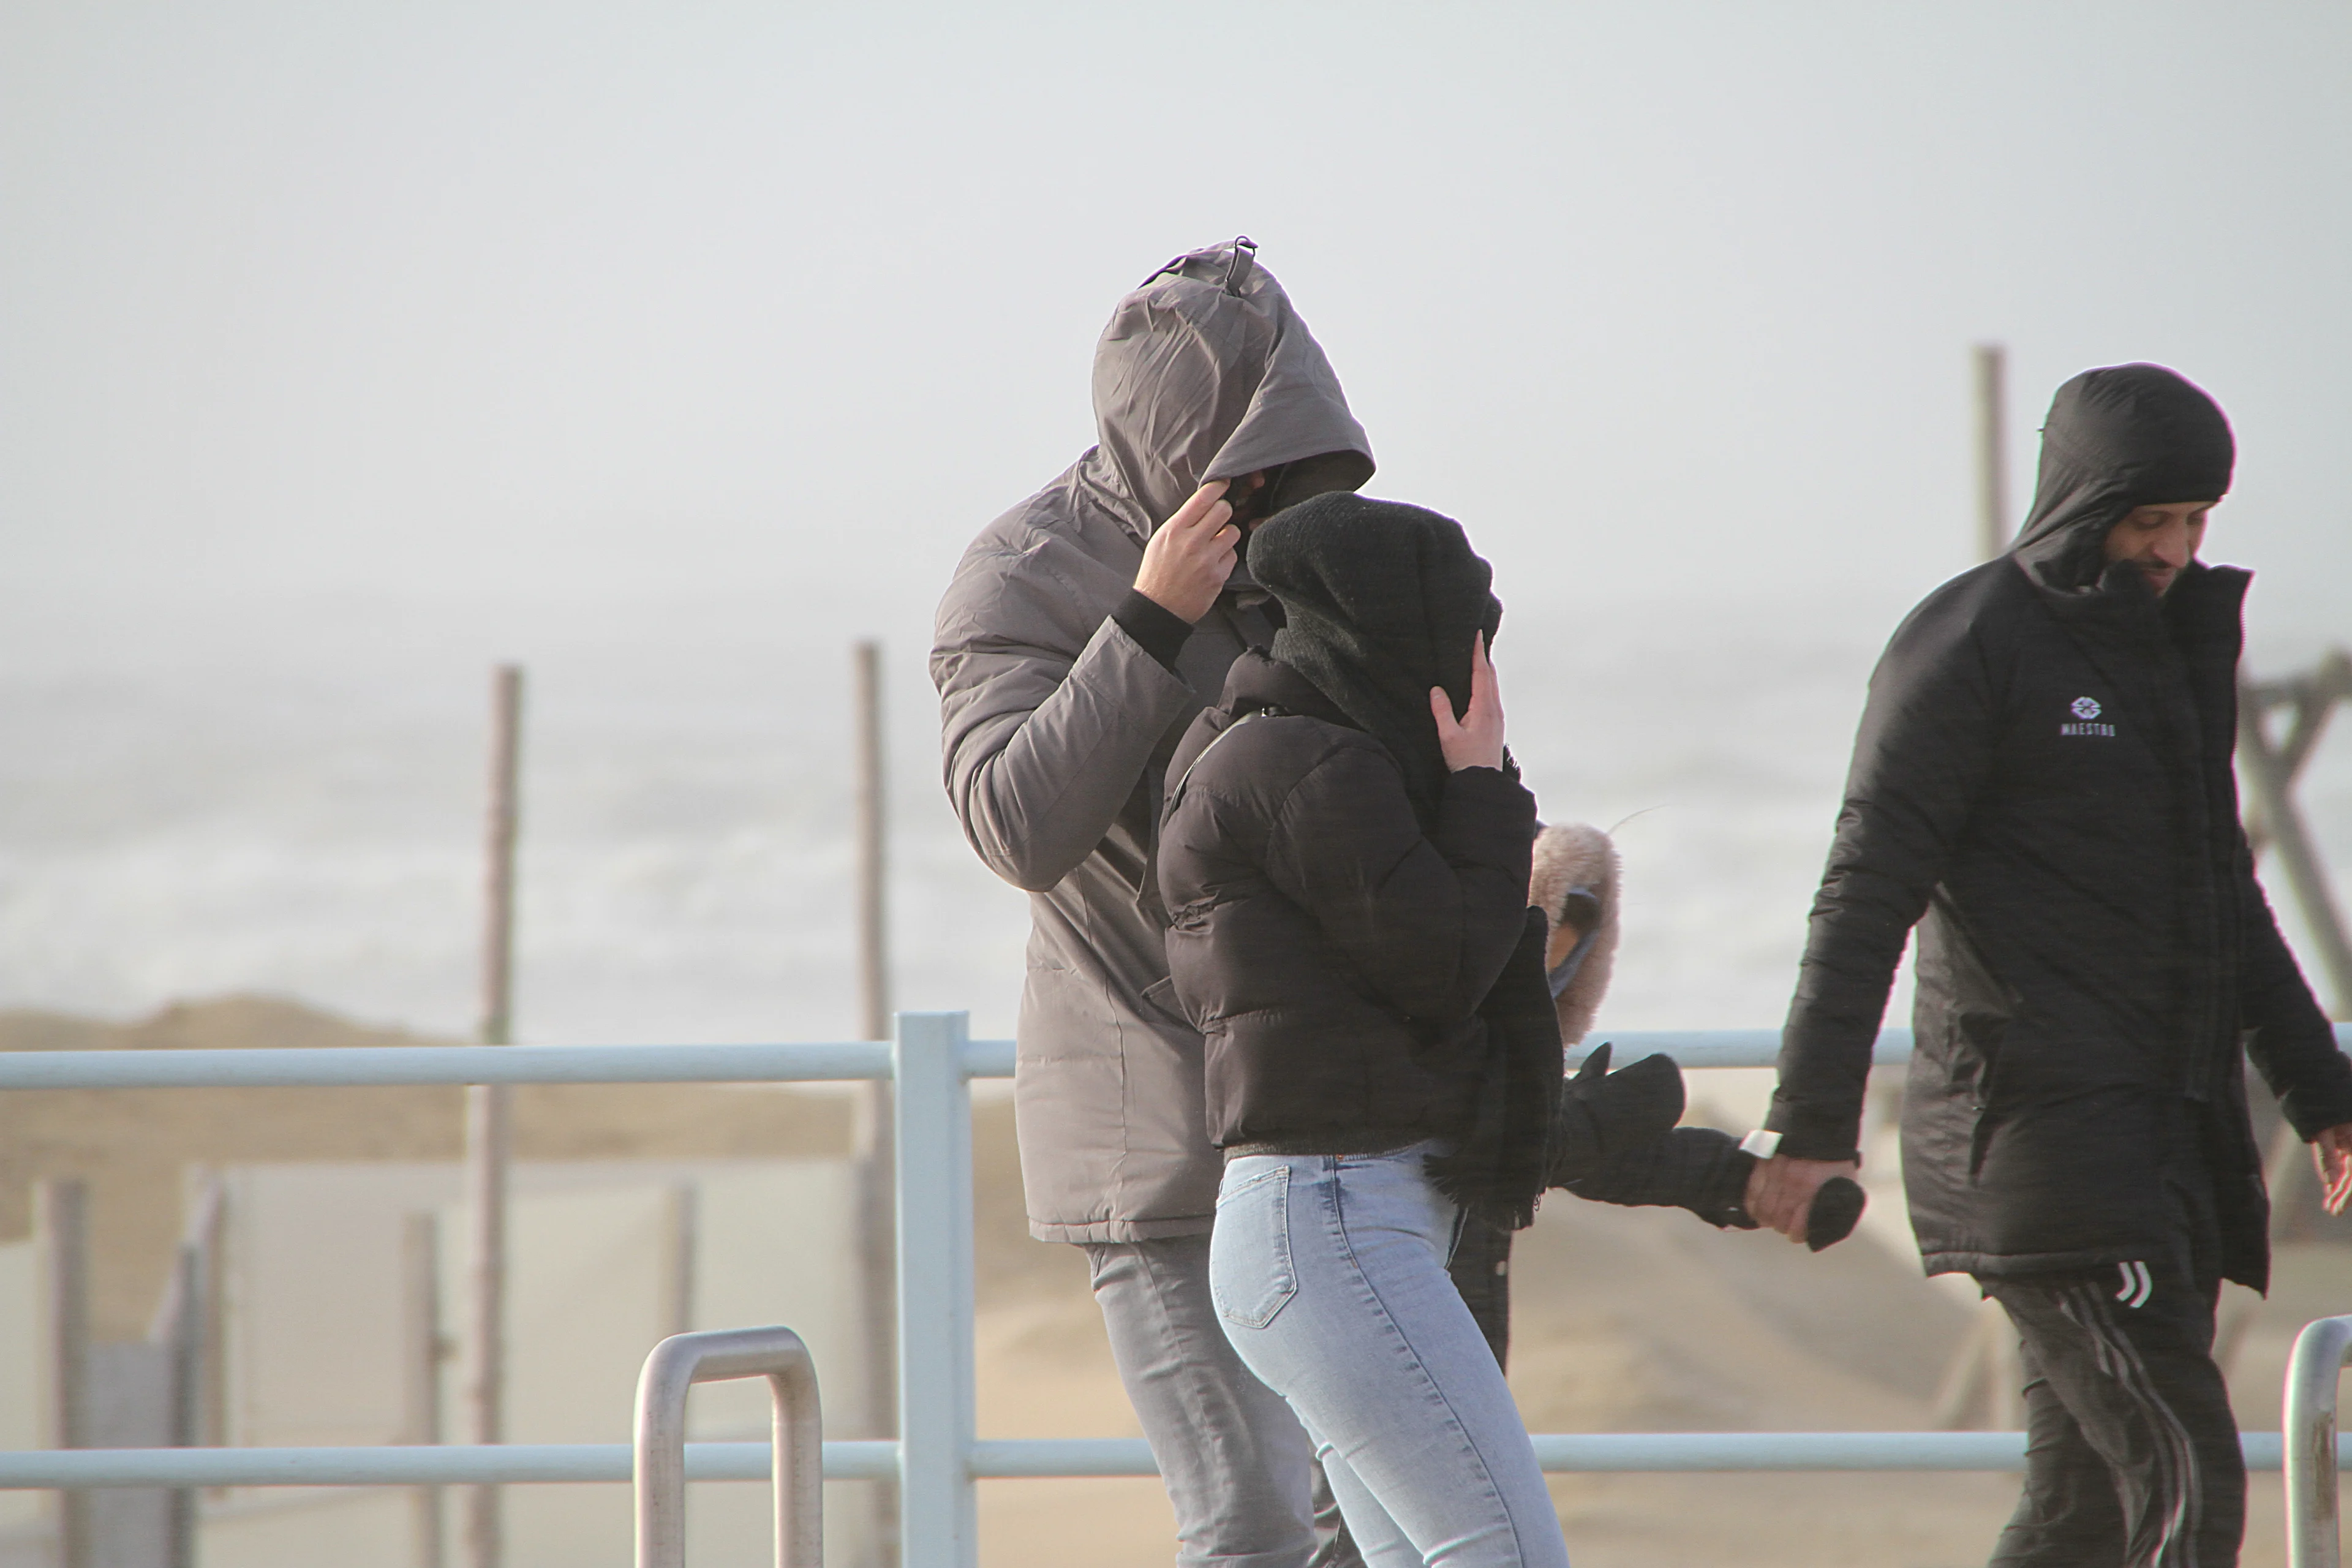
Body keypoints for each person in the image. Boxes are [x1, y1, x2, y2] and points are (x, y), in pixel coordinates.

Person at [1744, 363, 2352, 1567]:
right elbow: (1865, 892)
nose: (2175, 549)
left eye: (2195, 521)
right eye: (2150, 520)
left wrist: (2323, 1097)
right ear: (2083, 502)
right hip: (2040, 1147)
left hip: (2159, 1143)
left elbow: (2224, 900)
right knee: (2188, 1483)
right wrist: (1810, 1124)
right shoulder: (1969, 644)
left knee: (2080, 1515)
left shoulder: (2165, 653)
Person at [932, 238, 1376, 1568]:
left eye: (1286, 462)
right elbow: (1017, 823)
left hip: (1321, 1124)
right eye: (1245, 465)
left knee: (1366, 1526)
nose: (1266, 495)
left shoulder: (1310, 560)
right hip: (1157, 1137)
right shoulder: (1019, 575)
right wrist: (1148, 619)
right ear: (1177, 440)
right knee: (1249, 1522)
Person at [1155, 493, 1576, 1568]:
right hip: (1335, 1216)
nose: (1479, 675)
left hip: (1327, 1220)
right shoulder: (1305, 766)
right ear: (1392, 634)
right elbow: (1448, 967)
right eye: (1463, 641)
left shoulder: (1276, 750)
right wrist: (1482, 787)